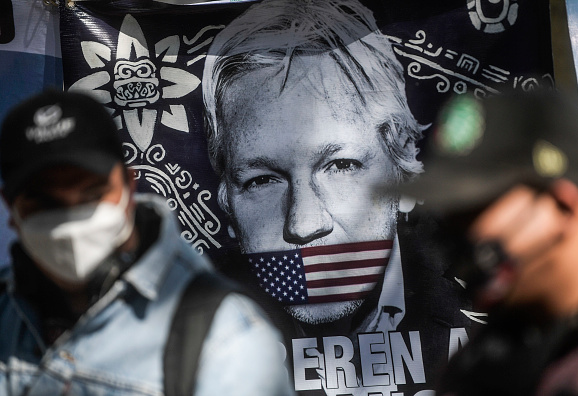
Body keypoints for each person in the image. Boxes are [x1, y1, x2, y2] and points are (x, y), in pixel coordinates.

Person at [202, 0, 471, 393]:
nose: (303, 224)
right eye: (262, 180)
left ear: (401, 167)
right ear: (226, 197)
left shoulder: (497, 309)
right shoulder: (177, 330)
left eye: (340, 166)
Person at [0, 90, 293, 396]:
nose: (71, 222)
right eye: (45, 203)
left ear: (129, 185)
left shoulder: (224, 340)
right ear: (10, 207)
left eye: (92, 194)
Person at [400, 90, 578, 396]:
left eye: (481, 249)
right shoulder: (493, 356)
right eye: (449, 242)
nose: (460, 269)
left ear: (564, 208)